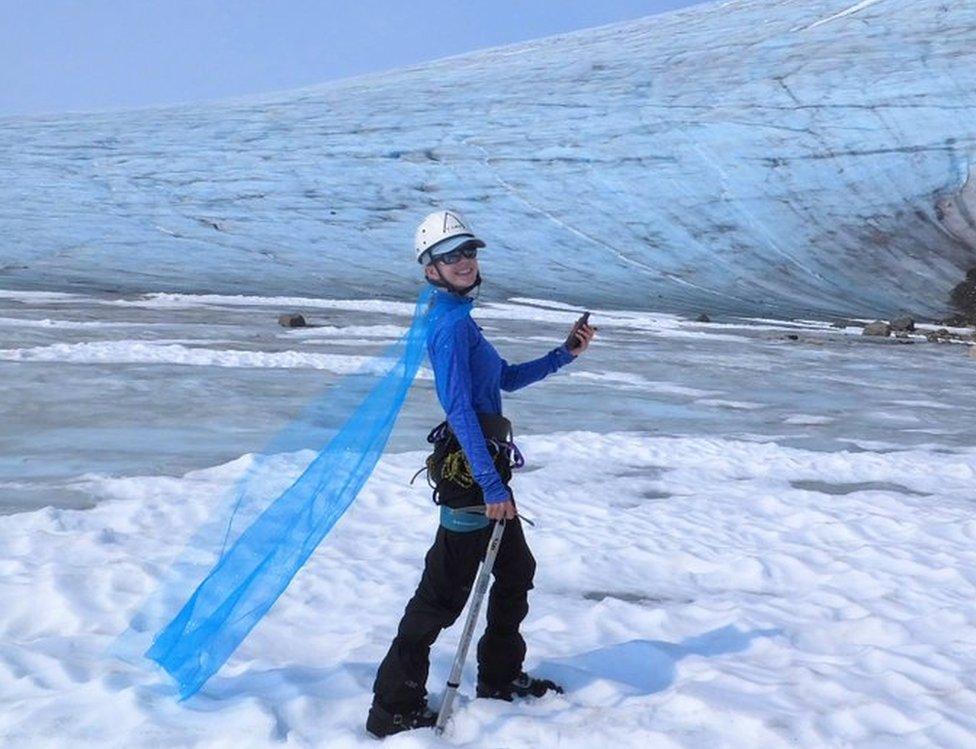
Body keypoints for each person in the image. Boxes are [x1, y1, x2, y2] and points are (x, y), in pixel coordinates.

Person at [366, 210, 597, 738]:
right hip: (472, 477)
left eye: (468, 251)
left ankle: (498, 677)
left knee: (515, 572)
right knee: (441, 597)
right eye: (450, 256)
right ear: (430, 270)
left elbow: (505, 380)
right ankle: (391, 708)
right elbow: (461, 409)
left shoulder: (460, 318)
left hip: (486, 469)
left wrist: (564, 355)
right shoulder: (447, 327)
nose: (464, 262)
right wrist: (491, 487)